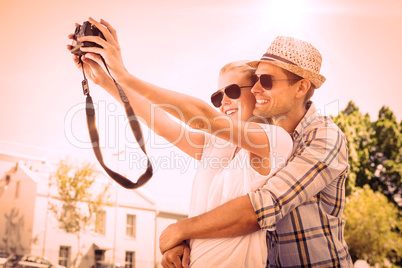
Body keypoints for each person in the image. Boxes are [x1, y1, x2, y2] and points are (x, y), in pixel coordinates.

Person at [70, 18, 353, 267]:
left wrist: (180, 230)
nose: (255, 89)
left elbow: (259, 209)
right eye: (218, 96)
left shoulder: (296, 138)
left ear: (301, 86)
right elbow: (160, 120)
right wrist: (106, 80)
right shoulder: (221, 146)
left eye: (234, 90)